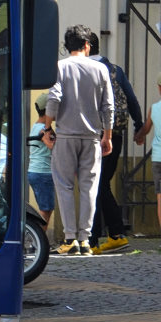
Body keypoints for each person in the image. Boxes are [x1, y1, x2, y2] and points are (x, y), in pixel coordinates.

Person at [45, 25, 113, 255]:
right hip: (92, 136)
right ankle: (85, 240)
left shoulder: (60, 67)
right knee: (89, 187)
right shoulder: (100, 69)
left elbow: (53, 99)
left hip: (65, 135)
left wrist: (47, 128)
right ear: (87, 46)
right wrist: (108, 135)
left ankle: (69, 238)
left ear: (66, 46)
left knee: (64, 186)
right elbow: (108, 106)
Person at [87, 31, 142, 253]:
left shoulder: (84, 69)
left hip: (91, 134)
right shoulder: (115, 70)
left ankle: (99, 237)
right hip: (114, 135)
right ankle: (112, 234)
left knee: (94, 184)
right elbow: (132, 99)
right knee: (100, 183)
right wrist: (138, 126)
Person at [133, 80, 161, 229]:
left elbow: (146, 128)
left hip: (158, 157)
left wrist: (139, 136)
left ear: (159, 88)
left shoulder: (154, 108)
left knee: (160, 196)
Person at [26, 93, 56, 230]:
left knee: (47, 208)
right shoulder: (43, 130)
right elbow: (52, 146)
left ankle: (38, 239)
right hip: (43, 173)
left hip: (36, 172)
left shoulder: (36, 126)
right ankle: (37, 240)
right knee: (45, 209)